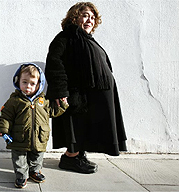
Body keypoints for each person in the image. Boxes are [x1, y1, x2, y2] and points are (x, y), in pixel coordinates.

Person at [45, 2, 127, 174]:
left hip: (92, 94)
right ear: (74, 17)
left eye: (92, 17)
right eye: (85, 15)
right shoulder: (65, 37)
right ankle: (70, 158)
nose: (90, 20)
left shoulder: (88, 39)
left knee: (87, 126)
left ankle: (79, 155)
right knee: (76, 125)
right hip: (76, 94)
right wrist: (60, 92)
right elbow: (54, 64)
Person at [0, 63, 68, 188]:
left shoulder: (44, 101)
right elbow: (6, 116)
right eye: (24, 82)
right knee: (19, 158)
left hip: (39, 137)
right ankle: (21, 175)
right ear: (18, 81)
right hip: (19, 137)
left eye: (32, 83)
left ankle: (34, 171)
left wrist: (62, 105)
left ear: (39, 85)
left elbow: (53, 112)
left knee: (37, 156)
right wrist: (3, 128)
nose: (28, 86)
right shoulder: (15, 100)